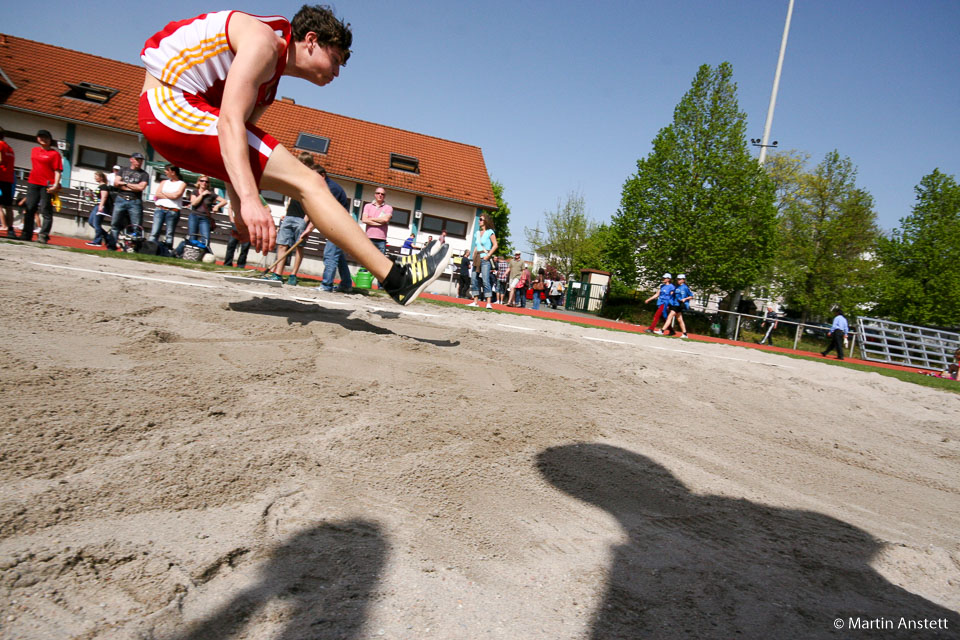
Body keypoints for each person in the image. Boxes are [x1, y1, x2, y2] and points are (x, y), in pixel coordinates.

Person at [137, 7, 449, 305]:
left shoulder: (268, 84)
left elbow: (232, 150)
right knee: (309, 183)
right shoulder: (264, 43)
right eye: (336, 60)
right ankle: (397, 279)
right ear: (312, 40)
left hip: (175, 116)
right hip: (168, 104)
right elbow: (229, 124)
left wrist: (238, 206)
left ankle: (396, 278)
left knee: (309, 183)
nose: (337, 72)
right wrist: (248, 201)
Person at [317, 166, 353, 293]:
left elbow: (324, 209)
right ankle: (346, 284)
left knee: (330, 255)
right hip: (337, 225)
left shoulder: (332, 189)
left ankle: (326, 285)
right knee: (339, 257)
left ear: (322, 175)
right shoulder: (327, 187)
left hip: (339, 226)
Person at [23, 130, 63, 244]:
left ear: (50, 140)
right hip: (33, 182)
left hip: (47, 185)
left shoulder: (55, 154)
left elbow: (58, 171)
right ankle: (26, 234)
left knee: (46, 210)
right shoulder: (34, 150)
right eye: (40, 137)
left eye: (45, 137)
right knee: (30, 208)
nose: (43, 139)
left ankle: (43, 235)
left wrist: (55, 185)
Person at [110, 152, 150, 242]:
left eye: (141, 160)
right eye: (137, 160)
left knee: (136, 226)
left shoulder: (144, 174)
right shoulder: (123, 170)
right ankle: (112, 245)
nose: (139, 162)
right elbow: (116, 183)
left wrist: (125, 184)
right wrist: (133, 186)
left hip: (135, 201)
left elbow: (141, 188)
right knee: (115, 224)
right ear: (131, 159)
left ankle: (133, 247)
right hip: (121, 198)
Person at [149, 164, 186, 247]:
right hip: (160, 209)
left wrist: (164, 194)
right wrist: (170, 195)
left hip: (173, 211)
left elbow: (176, 196)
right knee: (154, 231)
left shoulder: (182, 183)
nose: (165, 172)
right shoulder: (163, 182)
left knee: (169, 233)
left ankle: (167, 250)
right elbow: (157, 194)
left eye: (167, 170)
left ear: (173, 172)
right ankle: (150, 248)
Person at [186, 175, 226, 250]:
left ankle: (205, 254)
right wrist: (202, 195)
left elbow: (224, 201)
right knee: (192, 237)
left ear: (208, 183)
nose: (204, 183)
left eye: (206, 181)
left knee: (206, 239)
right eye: (202, 181)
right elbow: (194, 203)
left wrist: (217, 206)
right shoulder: (195, 192)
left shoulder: (211, 194)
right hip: (194, 216)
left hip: (205, 218)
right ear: (198, 182)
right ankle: (190, 254)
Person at [468, 213, 498, 309]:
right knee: (474, 279)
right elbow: (477, 245)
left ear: (485, 221)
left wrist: (488, 255)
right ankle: (475, 301)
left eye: (481, 219)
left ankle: (488, 303)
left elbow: (495, 245)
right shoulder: (477, 233)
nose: (479, 221)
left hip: (485, 258)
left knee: (485, 280)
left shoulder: (490, 232)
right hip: (477, 258)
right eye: (479, 219)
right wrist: (473, 255)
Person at [85, 171, 115, 248]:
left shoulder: (104, 186)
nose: (95, 177)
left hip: (100, 206)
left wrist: (101, 206)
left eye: (96, 176)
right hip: (97, 205)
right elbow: (97, 197)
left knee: (96, 223)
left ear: (101, 177)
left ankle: (97, 241)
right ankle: (107, 237)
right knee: (91, 222)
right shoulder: (99, 186)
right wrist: (91, 196)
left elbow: (104, 197)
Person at [361, 187, 392, 254]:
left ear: (384, 196)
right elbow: (364, 219)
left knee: (379, 263)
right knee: (366, 259)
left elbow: (385, 219)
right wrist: (379, 223)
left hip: (381, 240)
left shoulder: (388, 208)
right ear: (375, 195)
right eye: (378, 193)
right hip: (369, 238)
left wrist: (370, 218)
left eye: (382, 194)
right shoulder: (367, 206)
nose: (380, 195)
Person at [661, 274, 693, 338]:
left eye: (679, 279)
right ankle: (685, 333)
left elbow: (691, 296)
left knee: (670, 316)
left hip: (679, 305)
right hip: (675, 304)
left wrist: (685, 299)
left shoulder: (685, 287)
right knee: (679, 319)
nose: (678, 281)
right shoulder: (677, 287)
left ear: (683, 280)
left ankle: (662, 330)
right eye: (677, 279)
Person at [222, 203, 251, 268]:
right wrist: (232, 220)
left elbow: (268, 209)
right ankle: (227, 263)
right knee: (231, 244)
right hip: (237, 224)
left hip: (248, 226)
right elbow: (230, 207)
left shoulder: (258, 198)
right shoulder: (238, 196)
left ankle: (240, 265)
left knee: (245, 247)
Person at [0, 126, 16, 238]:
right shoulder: (9, 148)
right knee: (8, 206)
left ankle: (5, 226)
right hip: (8, 179)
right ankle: (10, 230)